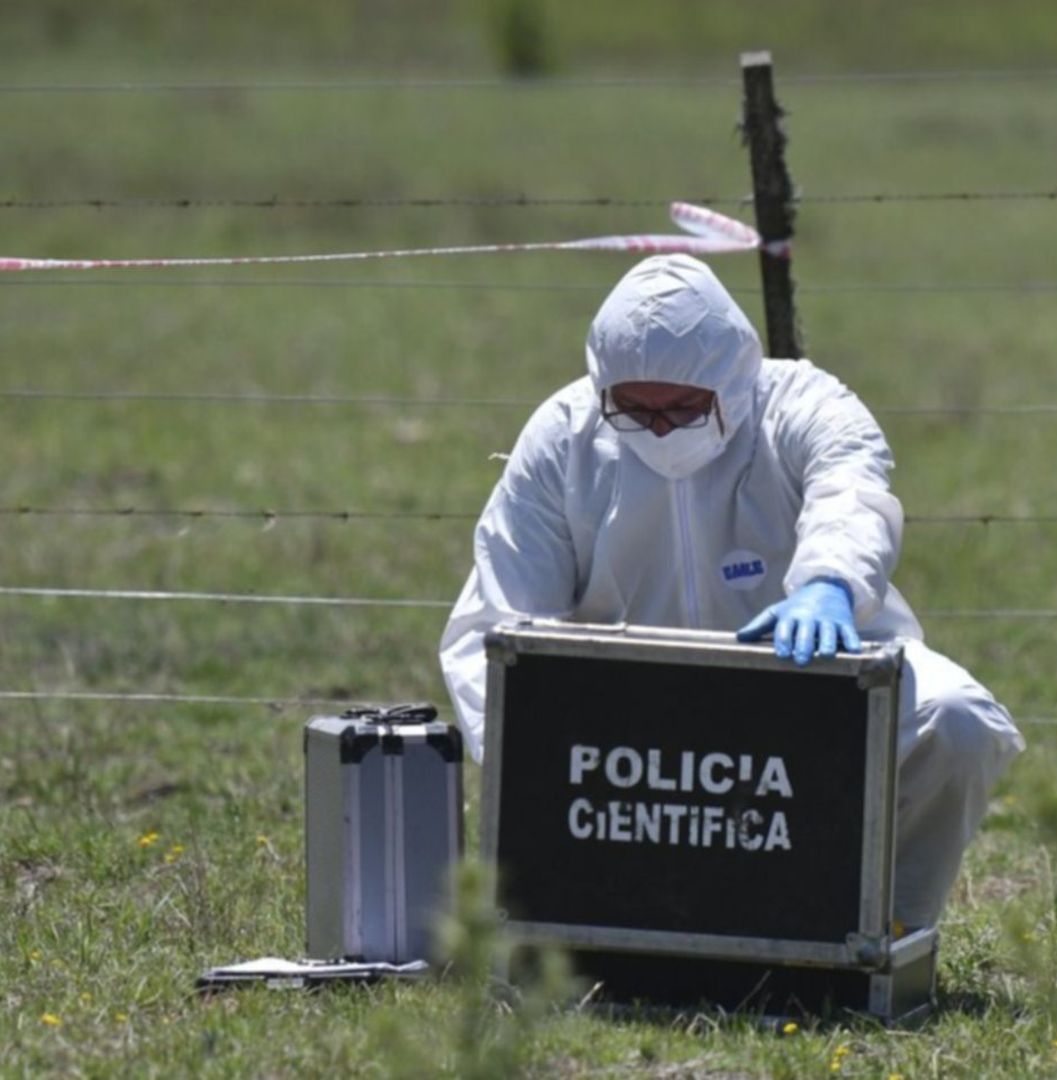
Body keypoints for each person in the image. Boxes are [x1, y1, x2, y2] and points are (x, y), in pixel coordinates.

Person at [438, 254, 1023, 931]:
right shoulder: (562, 437)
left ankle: (881, 933)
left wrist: (829, 582)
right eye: (634, 409)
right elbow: (505, 621)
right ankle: (594, 925)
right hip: (627, 717)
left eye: (684, 408)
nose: (660, 430)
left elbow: (852, 489)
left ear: (732, 378)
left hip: (811, 681)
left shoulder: (804, 403)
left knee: (957, 721)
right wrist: (548, 741)